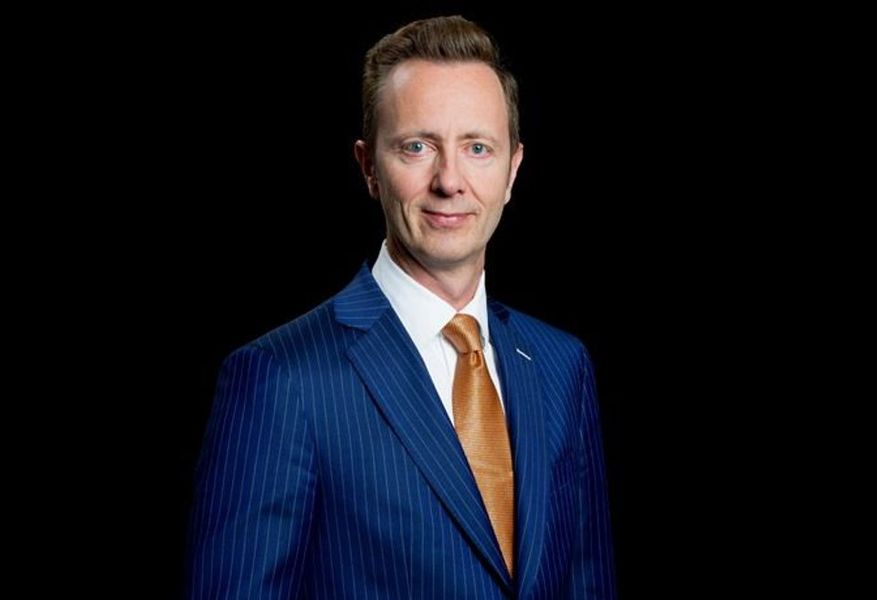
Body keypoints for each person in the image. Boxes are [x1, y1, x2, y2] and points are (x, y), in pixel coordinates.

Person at [187, 15, 616, 599]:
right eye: (417, 147)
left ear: (512, 170)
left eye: (477, 148)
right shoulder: (280, 379)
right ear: (369, 167)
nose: (450, 181)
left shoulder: (563, 366)